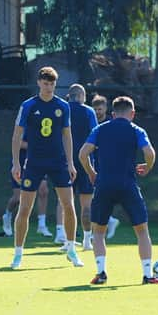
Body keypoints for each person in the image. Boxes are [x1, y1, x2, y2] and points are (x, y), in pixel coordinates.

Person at [79, 96, 158, 284]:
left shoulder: (100, 129)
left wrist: (92, 173)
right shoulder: (136, 130)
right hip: (128, 185)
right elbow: (150, 153)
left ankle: (101, 273)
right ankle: (147, 275)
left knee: (99, 232)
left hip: (104, 185)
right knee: (142, 231)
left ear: (112, 113)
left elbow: (83, 154)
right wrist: (147, 167)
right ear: (132, 113)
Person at [10, 66, 83, 269]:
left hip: (58, 161)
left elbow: (67, 135)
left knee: (68, 205)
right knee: (25, 207)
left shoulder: (63, 106)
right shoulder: (28, 106)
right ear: (39, 83)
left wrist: (70, 162)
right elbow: (17, 135)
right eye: (45, 83)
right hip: (34, 162)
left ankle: (71, 249)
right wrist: (16, 162)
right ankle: (18, 254)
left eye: (52, 84)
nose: (49, 87)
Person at [55, 84, 98, 251]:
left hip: (65, 162)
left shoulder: (62, 110)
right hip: (85, 161)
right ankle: (87, 240)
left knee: (66, 202)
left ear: (69, 96)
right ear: (81, 96)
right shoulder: (88, 112)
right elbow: (95, 136)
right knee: (86, 204)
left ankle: (67, 240)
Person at [1, 134, 51, 238]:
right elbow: (18, 142)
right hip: (21, 162)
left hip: (37, 161)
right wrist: (36, 145)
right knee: (18, 198)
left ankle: (41, 225)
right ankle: (7, 216)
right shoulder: (23, 121)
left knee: (43, 190)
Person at [90, 94, 120, 239]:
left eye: (100, 109)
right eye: (95, 109)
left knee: (95, 197)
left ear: (106, 109)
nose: (97, 112)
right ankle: (109, 221)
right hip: (92, 163)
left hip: (105, 165)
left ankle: (101, 225)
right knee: (92, 198)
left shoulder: (110, 123)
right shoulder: (91, 123)